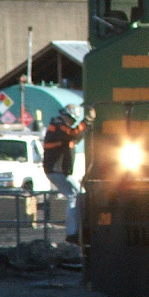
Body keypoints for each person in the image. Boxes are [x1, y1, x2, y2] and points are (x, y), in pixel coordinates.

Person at [43, 103, 94, 244]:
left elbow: (75, 137)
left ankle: (78, 230)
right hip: (57, 170)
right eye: (71, 119)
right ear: (65, 116)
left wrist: (86, 127)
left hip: (60, 170)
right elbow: (72, 134)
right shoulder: (58, 126)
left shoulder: (61, 128)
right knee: (75, 195)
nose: (72, 122)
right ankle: (73, 233)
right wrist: (88, 121)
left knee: (79, 194)